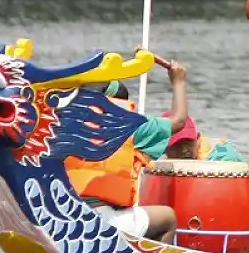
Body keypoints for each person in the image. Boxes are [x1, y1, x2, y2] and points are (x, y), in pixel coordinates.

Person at [65, 62, 190, 242]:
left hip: (68, 216)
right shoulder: (130, 124)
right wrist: (178, 81)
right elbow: (178, 121)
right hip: (107, 221)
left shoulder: (63, 121)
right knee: (167, 217)